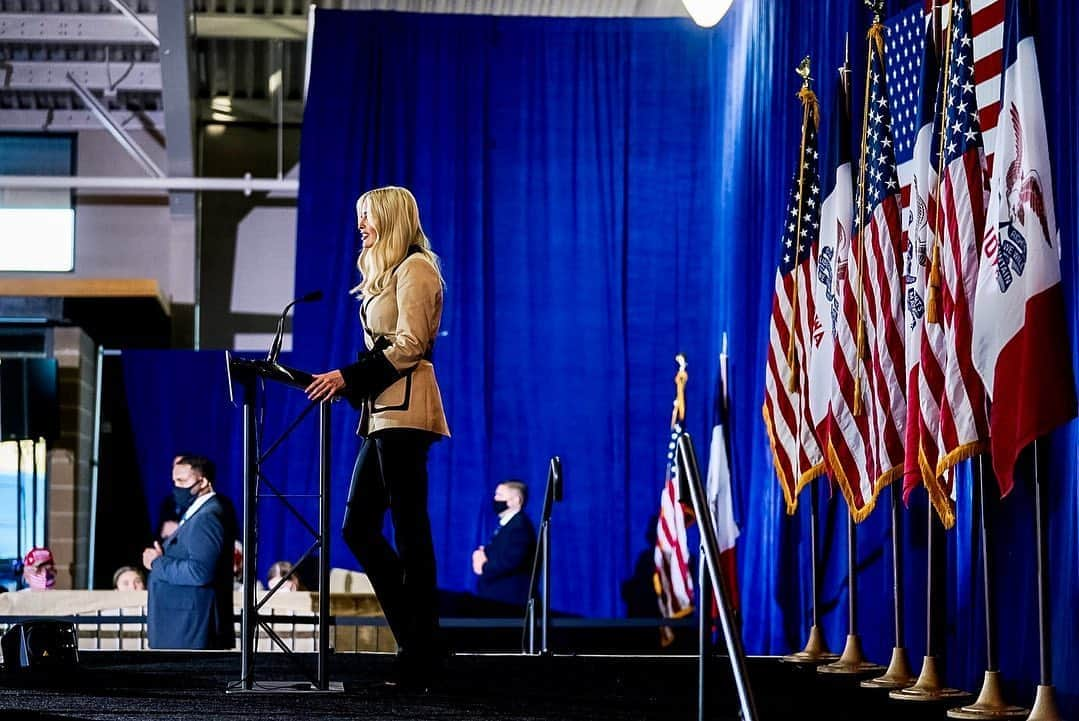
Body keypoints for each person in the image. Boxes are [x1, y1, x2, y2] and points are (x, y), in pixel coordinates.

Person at [306, 186, 450, 686]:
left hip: (406, 413)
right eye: (358, 217)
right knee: (358, 528)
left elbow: (411, 344)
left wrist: (347, 377)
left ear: (389, 217)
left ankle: (421, 648)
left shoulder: (417, 268)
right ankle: (420, 637)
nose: (361, 225)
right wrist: (350, 380)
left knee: (410, 530)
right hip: (381, 413)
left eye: (367, 217)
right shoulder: (388, 273)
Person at [141, 454, 235, 649]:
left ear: (203, 482)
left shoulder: (207, 517)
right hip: (180, 627)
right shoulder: (197, 512)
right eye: (174, 481)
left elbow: (200, 571)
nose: (176, 487)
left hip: (189, 628)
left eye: (182, 481)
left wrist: (157, 562)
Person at [472, 480, 536, 609]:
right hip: (497, 598)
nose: (495, 499)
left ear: (516, 500)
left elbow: (510, 561)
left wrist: (483, 565)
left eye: (500, 495)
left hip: (508, 602)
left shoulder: (519, 526)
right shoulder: (508, 525)